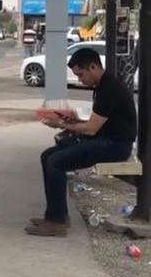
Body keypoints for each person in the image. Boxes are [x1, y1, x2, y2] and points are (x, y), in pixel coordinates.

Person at [29, 48, 137, 237]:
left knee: (55, 162)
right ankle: (56, 214)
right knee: (48, 156)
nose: (80, 80)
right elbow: (94, 124)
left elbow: (91, 129)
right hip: (106, 138)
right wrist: (72, 121)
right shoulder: (103, 86)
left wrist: (61, 123)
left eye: (81, 74)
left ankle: (57, 222)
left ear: (93, 67)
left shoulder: (109, 89)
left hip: (115, 145)